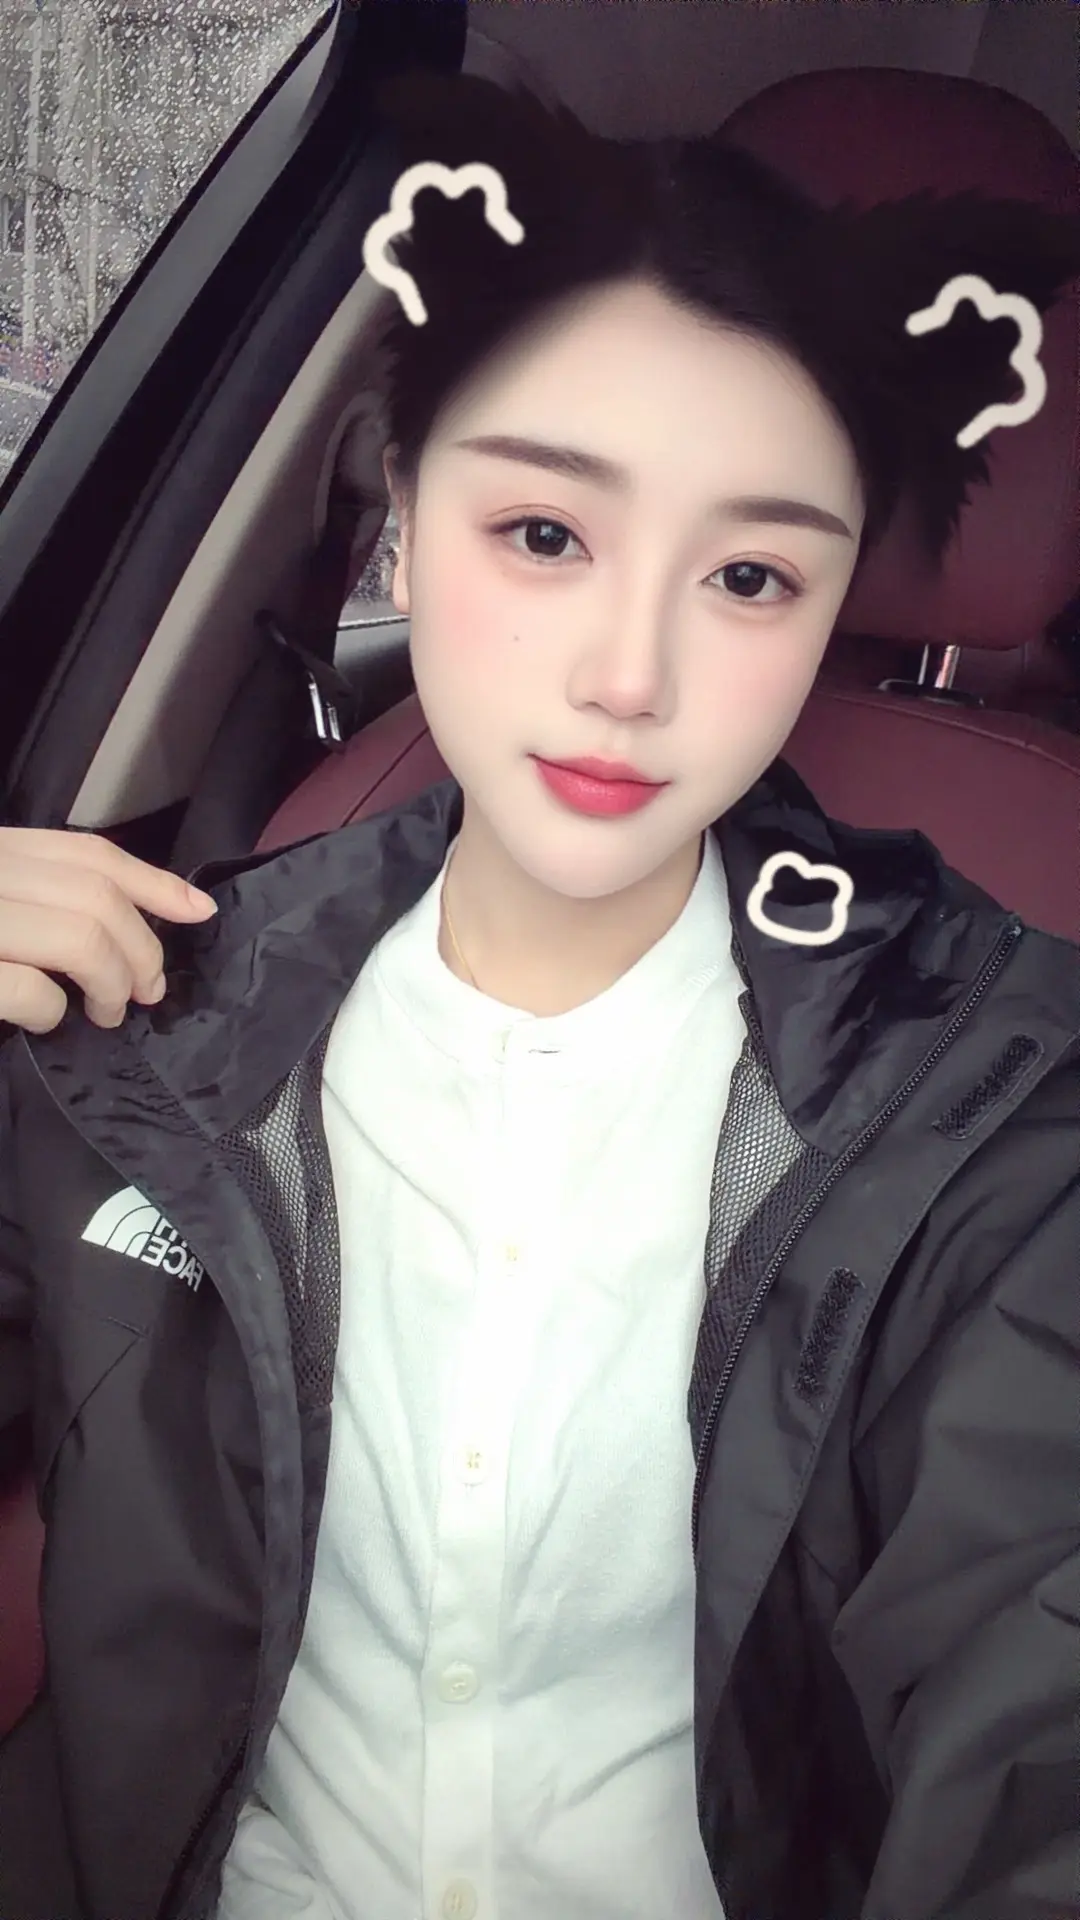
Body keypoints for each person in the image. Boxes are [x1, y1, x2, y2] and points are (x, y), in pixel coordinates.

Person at [0, 72, 1077, 1920]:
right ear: (400, 520)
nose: (628, 675)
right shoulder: (148, 1024)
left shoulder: (987, 1099)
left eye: (750, 574)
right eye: (547, 537)